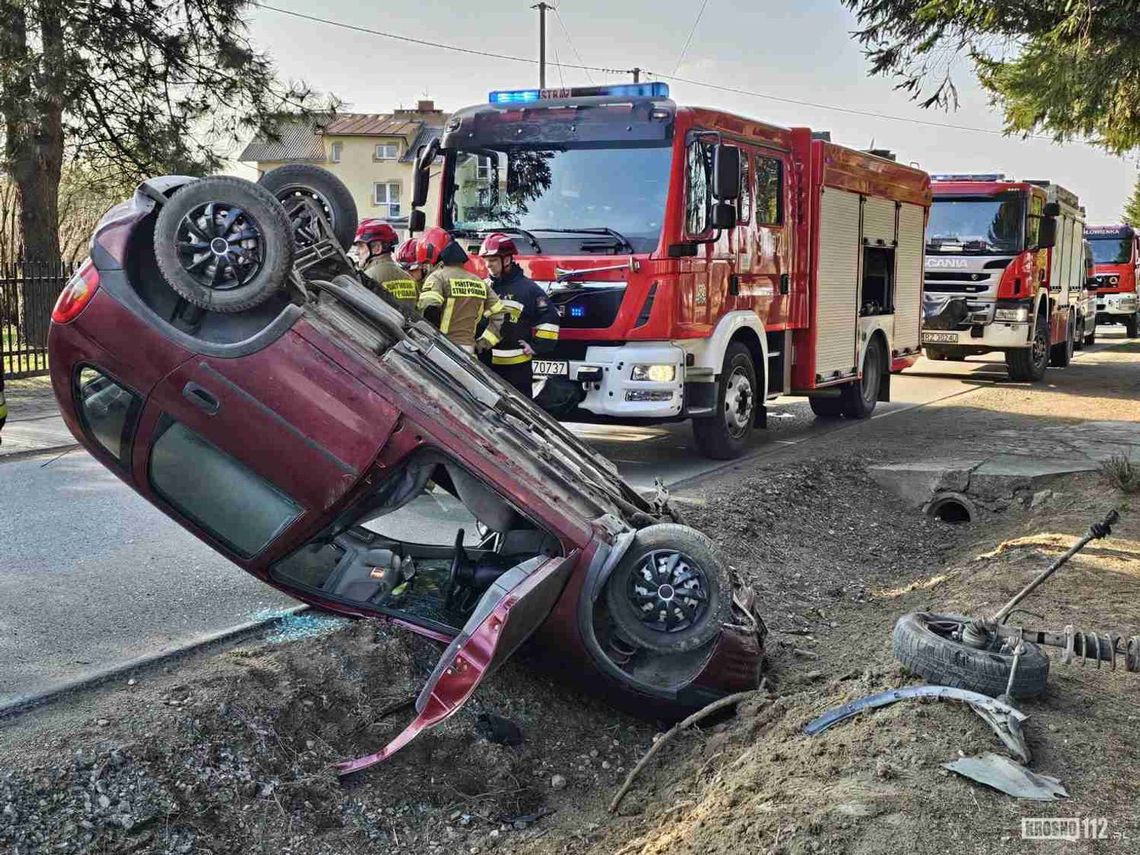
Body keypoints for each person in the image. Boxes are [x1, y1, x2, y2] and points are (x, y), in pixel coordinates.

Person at [477, 233, 560, 399]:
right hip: (486, 364)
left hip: (516, 370)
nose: (488, 265)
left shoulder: (528, 289)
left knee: (521, 413)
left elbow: (549, 319)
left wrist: (536, 346)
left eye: (492, 260)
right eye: (486, 260)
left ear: (507, 260)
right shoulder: (484, 286)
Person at [415, 227, 505, 354]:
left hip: (443, 351)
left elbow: (429, 310)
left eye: (425, 264)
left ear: (434, 258)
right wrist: (483, 343)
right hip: (470, 353)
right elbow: (500, 315)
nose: (425, 269)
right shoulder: (479, 282)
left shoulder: (437, 277)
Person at [353, 220, 418, 312]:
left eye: (361, 246)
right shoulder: (410, 279)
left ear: (377, 248)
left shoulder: (366, 278)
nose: (356, 252)